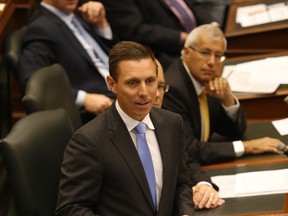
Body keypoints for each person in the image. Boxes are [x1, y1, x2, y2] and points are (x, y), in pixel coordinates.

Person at [56, 41, 195, 215]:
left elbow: (181, 183)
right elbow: (71, 209)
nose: (144, 92)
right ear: (112, 84)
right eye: (132, 83)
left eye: (150, 81)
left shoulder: (172, 123)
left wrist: (186, 213)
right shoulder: (88, 141)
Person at [162, 23, 286, 165]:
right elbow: (189, 151)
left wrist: (227, 100)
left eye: (218, 55)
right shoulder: (172, 90)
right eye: (205, 53)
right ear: (187, 53)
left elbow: (235, 132)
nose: (211, 62)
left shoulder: (206, 79)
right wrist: (248, 147)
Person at [19, 0, 117, 124]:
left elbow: (104, 55)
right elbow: (32, 83)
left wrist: (101, 25)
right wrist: (84, 98)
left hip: (120, 88)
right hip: (103, 105)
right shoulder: (41, 27)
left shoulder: (74, 15)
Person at [154, 60, 225, 209]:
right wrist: (182, 199)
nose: (155, 94)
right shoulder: (98, 137)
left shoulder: (165, 122)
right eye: (148, 83)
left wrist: (203, 186)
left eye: (160, 86)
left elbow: (186, 161)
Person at [99, 0, 201, 70]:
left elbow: (196, 8)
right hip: (161, 54)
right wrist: (182, 37)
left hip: (197, 42)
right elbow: (134, 30)